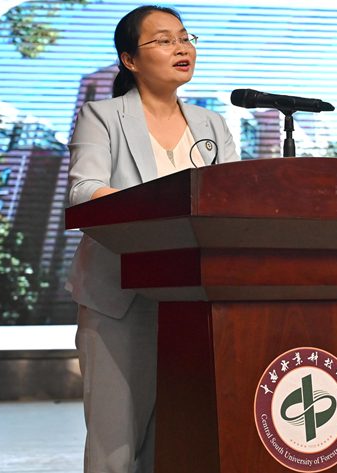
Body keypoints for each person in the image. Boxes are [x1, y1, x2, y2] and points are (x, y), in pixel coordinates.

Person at [66, 5, 239, 472]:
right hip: (120, 295)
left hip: (197, 298)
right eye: (163, 40)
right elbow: (84, 191)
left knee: (184, 438)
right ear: (130, 60)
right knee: (116, 444)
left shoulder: (212, 124)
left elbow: (233, 200)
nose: (181, 48)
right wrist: (159, 208)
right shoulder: (102, 115)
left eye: (184, 37)